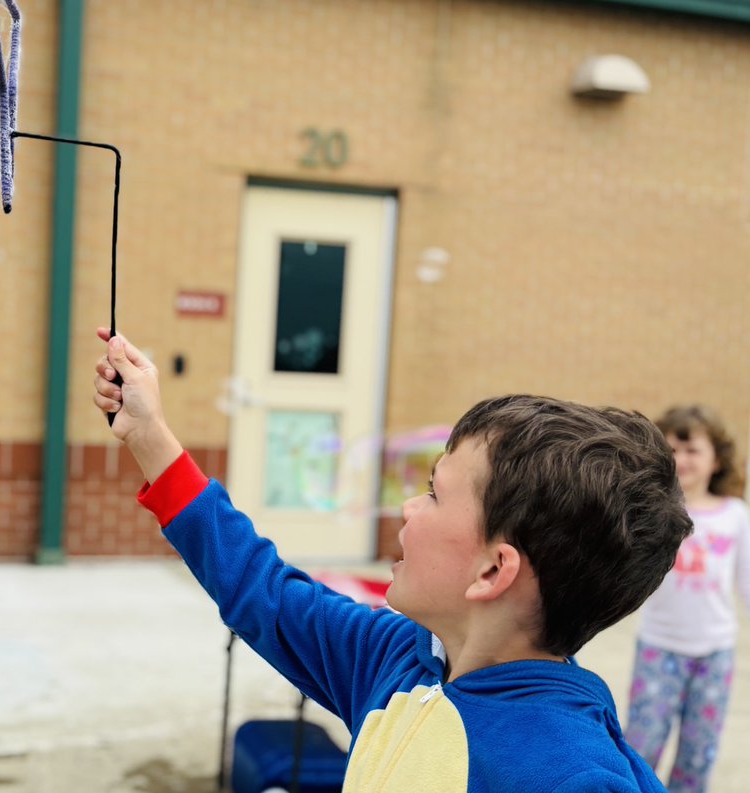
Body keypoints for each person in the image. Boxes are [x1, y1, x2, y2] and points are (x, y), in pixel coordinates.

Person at [91, 329, 693, 793]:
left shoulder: (569, 773)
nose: (408, 507)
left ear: (493, 571)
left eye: (434, 493)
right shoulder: (396, 658)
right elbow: (261, 590)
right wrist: (150, 437)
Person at [624, 405, 750, 793]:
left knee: (698, 752)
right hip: (659, 650)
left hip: (714, 654)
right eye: (672, 449)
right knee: (642, 746)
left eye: (692, 449)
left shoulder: (735, 515)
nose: (681, 459)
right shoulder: (654, 513)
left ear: (716, 459)